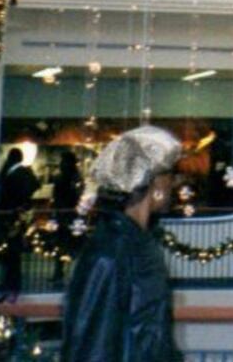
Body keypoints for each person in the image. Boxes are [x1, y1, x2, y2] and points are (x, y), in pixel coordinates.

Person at [62, 126, 181, 362]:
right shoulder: (110, 253)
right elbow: (91, 347)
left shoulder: (135, 244)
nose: (175, 183)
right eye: (171, 173)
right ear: (154, 182)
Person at [0, 147, 41, 298]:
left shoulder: (14, 174)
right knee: (11, 251)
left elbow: (5, 196)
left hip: (11, 217)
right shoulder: (24, 173)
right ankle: (11, 281)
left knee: (10, 251)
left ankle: (11, 282)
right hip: (16, 216)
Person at [51, 151, 84, 285]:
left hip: (66, 214)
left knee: (65, 244)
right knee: (70, 244)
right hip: (71, 214)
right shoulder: (75, 177)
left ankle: (60, 272)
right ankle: (61, 272)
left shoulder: (67, 178)